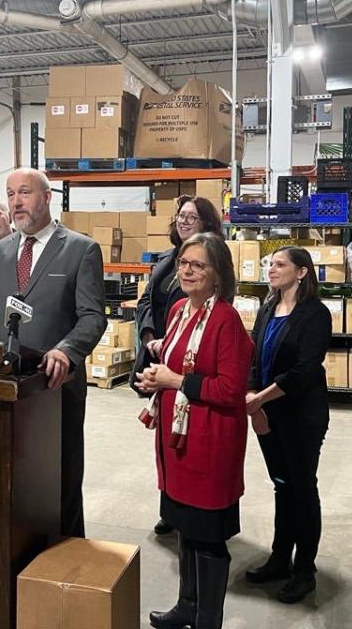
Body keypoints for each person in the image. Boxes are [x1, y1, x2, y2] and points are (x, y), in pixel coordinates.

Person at [0, 168, 106, 538]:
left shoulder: (80, 249)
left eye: (24, 193)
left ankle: (67, 558)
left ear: (46, 197)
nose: (15, 202)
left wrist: (66, 350)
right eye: (10, 194)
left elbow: (92, 317)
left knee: (61, 475)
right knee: (15, 476)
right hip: (7, 386)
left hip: (57, 388)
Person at [135, 232, 253, 629]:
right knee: (184, 527)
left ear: (218, 273)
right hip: (178, 440)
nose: (187, 270)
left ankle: (207, 619)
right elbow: (175, 366)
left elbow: (230, 389)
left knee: (208, 537)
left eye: (198, 264)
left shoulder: (226, 320)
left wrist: (173, 381)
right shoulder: (180, 311)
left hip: (211, 440)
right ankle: (187, 605)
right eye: (184, 262)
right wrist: (156, 379)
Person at [244, 246, 332, 604]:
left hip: (301, 417)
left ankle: (304, 570)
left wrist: (260, 399)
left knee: (301, 488)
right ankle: (280, 558)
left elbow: (303, 372)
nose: (271, 269)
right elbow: (254, 355)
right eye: (269, 264)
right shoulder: (267, 309)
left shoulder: (316, 315)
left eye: (279, 264)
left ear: (301, 272)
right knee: (282, 486)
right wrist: (254, 401)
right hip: (268, 414)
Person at [134, 195, 222, 535]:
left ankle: (187, 510)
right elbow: (146, 300)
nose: (184, 221)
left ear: (206, 224)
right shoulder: (166, 259)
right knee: (165, 442)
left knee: (186, 439)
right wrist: (149, 335)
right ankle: (169, 508)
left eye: (192, 217)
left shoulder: (212, 261)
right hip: (159, 353)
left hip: (188, 364)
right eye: (181, 216)